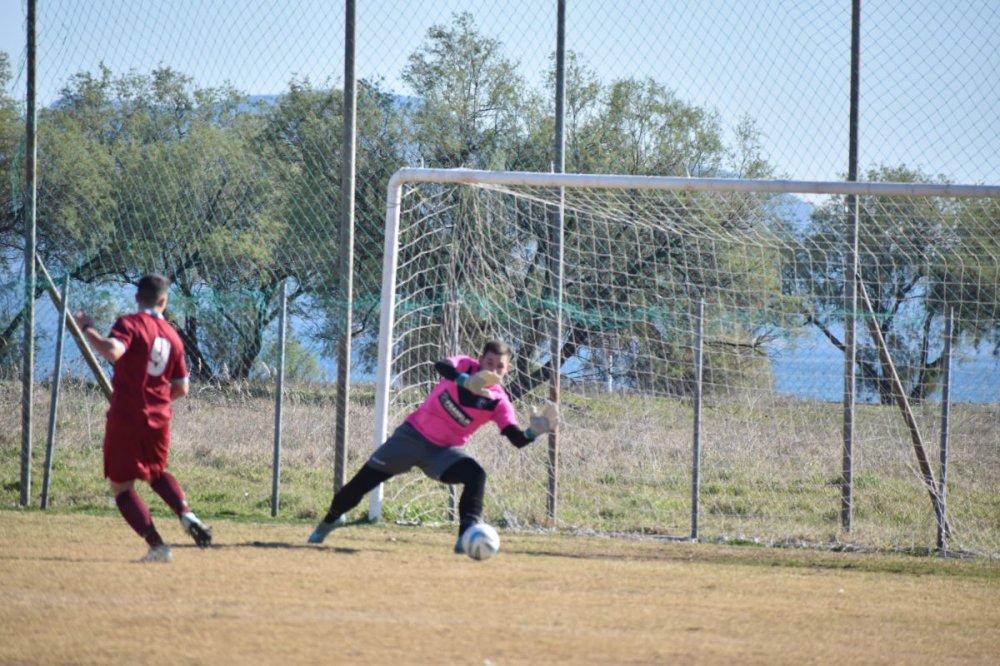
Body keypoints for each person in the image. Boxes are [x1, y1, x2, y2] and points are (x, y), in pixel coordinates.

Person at [308, 340, 560, 552]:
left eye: (500, 366)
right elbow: (441, 365)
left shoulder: (500, 403)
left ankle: (466, 535)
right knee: (358, 487)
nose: (494, 369)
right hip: (410, 437)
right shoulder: (464, 365)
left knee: (476, 475)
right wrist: (464, 381)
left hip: (444, 453)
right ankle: (331, 520)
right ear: (480, 359)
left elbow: (516, 438)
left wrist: (534, 431)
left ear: (508, 369)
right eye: (490, 363)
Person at [74, 273, 212, 563]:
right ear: (164, 301)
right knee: (157, 473)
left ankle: (158, 546)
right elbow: (182, 387)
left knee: (122, 487)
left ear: (137, 298)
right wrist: (157, 400)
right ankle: (186, 513)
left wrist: (87, 328)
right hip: (159, 417)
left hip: (127, 414)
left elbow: (113, 351)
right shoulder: (173, 336)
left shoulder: (131, 323)